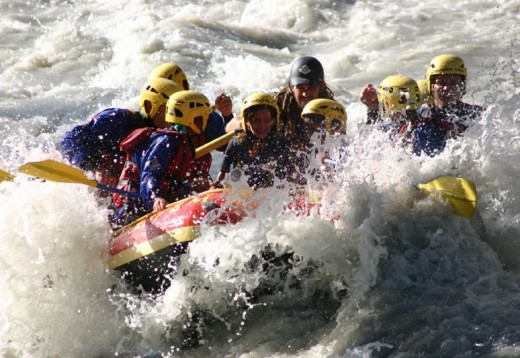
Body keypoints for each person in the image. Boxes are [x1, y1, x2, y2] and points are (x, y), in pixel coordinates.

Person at [110, 90, 214, 227]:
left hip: (168, 197)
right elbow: (150, 172)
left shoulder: (189, 141)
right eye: (200, 119)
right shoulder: (167, 143)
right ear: (190, 118)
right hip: (135, 204)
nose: (204, 123)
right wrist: (156, 197)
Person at [60, 77, 179, 188]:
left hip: (124, 188)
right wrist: (96, 168)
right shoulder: (118, 120)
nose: (175, 117)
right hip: (91, 183)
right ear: (150, 105)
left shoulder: (168, 137)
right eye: (169, 109)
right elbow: (71, 140)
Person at [215, 93, 296, 190]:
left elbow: (291, 174)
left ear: (273, 121)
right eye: (256, 121)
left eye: (267, 120)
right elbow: (222, 175)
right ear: (247, 122)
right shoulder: (237, 142)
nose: (262, 126)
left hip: (272, 193)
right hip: (244, 193)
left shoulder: (281, 142)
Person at [419, 54, 483, 136]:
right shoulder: (420, 115)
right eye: (441, 83)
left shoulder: (477, 116)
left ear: (462, 86)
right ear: (431, 86)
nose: (447, 88)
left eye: (453, 83)